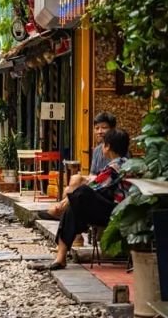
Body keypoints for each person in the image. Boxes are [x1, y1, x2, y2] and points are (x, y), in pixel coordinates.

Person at [34, 129, 131, 271]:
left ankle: (59, 209)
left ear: (108, 146)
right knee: (73, 207)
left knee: (82, 192)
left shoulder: (119, 165)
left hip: (117, 212)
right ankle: (60, 258)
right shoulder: (120, 163)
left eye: (103, 144)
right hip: (111, 209)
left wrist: (69, 196)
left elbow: (94, 186)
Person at [43, 112, 118, 220]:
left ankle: (59, 210)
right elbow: (92, 174)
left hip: (108, 190)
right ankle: (64, 214)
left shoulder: (118, 149)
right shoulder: (97, 150)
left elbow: (114, 177)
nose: (99, 131)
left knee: (76, 181)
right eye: (97, 128)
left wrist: (84, 181)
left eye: (104, 128)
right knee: (69, 187)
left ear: (112, 129)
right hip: (97, 185)